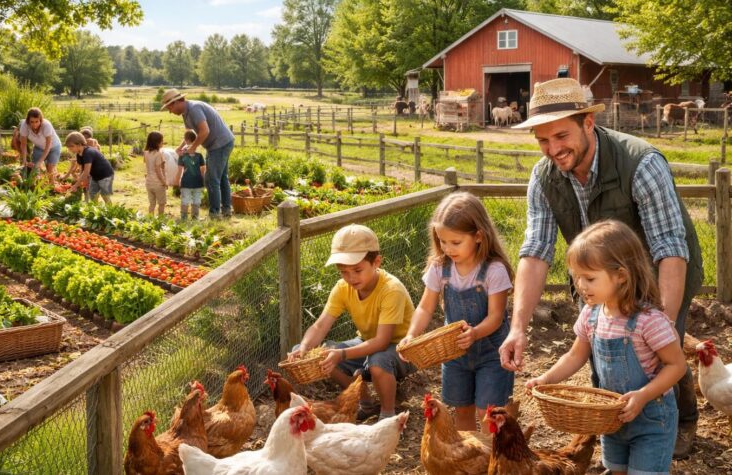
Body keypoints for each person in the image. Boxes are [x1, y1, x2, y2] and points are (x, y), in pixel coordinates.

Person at [499, 78, 703, 459]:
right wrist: (518, 327)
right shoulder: (543, 178)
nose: (553, 149)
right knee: (603, 352)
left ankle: (680, 421)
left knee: (660, 350)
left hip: (659, 274)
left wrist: (663, 323)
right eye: (543, 141)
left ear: (588, 124)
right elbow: (535, 250)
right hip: (595, 279)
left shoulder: (641, 163)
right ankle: (615, 432)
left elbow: (670, 248)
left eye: (562, 135)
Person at [526, 220, 686, 475]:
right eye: (576, 277)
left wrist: (643, 395)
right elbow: (575, 355)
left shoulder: (648, 320)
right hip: (611, 421)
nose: (580, 285)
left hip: (651, 421)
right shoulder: (591, 314)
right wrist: (544, 379)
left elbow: (677, 365)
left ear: (621, 275)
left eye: (589, 278)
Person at [399, 192, 514, 433]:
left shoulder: (494, 270)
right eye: (442, 241)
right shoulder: (440, 268)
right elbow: (425, 306)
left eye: (456, 242)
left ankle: (491, 461)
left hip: (492, 352)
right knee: (462, 409)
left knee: (488, 412)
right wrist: (411, 335)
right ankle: (470, 460)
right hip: (455, 354)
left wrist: (475, 333)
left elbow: (496, 317)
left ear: (479, 236)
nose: (447, 248)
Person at [289, 224, 416, 421]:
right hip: (367, 341)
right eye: (344, 272)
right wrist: (304, 347)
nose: (351, 277)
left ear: (376, 262)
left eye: (357, 270)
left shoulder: (392, 290)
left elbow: (382, 342)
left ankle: (388, 416)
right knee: (323, 356)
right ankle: (365, 403)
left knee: (378, 361)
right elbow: (320, 325)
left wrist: (342, 354)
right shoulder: (342, 288)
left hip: (403, 349)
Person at [161, 89, 235, 218]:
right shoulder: (186, 112)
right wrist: (181, 147)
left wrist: (193, 147)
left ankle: (214, 214)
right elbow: (191, 133)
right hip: (218, 144)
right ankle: (226, 211)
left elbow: (205, 131)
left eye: (169, 108)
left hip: (220, 144)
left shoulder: (194, 109)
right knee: (221, 177)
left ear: (176, 103)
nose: (170, 112)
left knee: (212, 179)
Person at [64, 132, 114, 204]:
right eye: (68, 147)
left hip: (105, 175)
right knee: (93, 195)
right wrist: (84, 182)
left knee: (105, 195)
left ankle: (110, 212)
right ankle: (95, 212)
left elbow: (86, 172)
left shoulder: (88, 153)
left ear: (79, 144)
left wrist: (76, 185)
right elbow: (82, 171)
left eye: (71, 146)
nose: (69, 149)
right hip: (95, 176)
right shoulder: (78, 155)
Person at [18, 107, 62, 184]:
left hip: (53, 146)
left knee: (49, 167)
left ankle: (51, 186)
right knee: (34, 167)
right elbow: (23, 144)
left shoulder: (46, 125)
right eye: (32, 122)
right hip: (39, 147)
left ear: (40, 120)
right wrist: (24, 159)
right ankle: (33, 185)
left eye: (36, 121)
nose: (34, 124)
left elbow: (48, 145)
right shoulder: (24, 126)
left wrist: (40, 161)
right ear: (28, 120)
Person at [176, 129, 206, 220]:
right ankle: (195, 217)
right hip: (198, 182)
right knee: (197, 200)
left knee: (185, 199)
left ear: (186, 140)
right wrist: (203, 180)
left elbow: (179, 170)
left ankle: (184, 217)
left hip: (186, 182)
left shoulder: (182, 156)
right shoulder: (199, 156)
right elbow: (203, 170)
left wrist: (178, 181)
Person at [143, 131, 169, 216]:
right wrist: (164, 182)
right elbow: (158, 171)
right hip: (158, 184)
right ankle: (160, 221)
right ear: (157, 143)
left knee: (152, 204)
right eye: (162, 141)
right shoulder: (159, 154)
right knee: (161, 204)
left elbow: (146, 166)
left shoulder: (146, 153)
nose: (163, 142)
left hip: (148, 183)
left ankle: (150, 220)